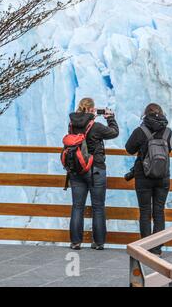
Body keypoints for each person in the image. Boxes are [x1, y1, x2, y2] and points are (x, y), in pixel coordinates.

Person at [68, 98, 119, 250]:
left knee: (77, 206)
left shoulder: (72, 125)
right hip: (95, 169)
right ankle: (98, 242)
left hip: (76, 170)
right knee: (98, 206)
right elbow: (114, 133)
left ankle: (76, 242)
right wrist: (110, 118)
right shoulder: (95, 126)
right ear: (91, 110)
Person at [125, 103, 172, 256]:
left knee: (145, 211)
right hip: (162, 176)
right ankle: (157, 247)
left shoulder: (140, 131)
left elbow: (129, 149)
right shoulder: (168, 132)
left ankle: (145, 248)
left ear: (145, 114)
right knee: (159, 211)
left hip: (143, 176)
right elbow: (169, 149)